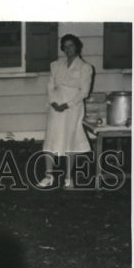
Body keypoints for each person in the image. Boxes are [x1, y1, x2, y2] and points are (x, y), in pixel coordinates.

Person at [37, 34, 94, 189]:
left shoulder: (85, 67)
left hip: (73, 109)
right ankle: (49, 176)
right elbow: (50, 85)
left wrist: (67, 105)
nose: (68, 49)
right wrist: (53, 102)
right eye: (65, 46)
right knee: (51, 139)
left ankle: (68, 178)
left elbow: (84, 92)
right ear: (63, 48)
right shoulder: (56, 65)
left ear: (77, 46)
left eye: (71, 45)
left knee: (71, 140)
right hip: (55, 107)